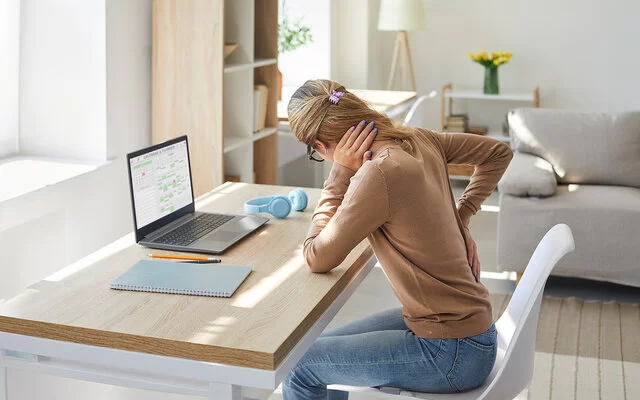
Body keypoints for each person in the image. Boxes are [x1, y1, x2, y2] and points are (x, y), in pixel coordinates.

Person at [283, 79, 513, 400]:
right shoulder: (418, 138)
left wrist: (338, 174)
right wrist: (462, 217)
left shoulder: (377, 173)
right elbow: (498, 152)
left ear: (320, 145)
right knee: (315, 351)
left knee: (298, 366)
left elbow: (315, 257)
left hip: (451, 353)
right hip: (467, 331)